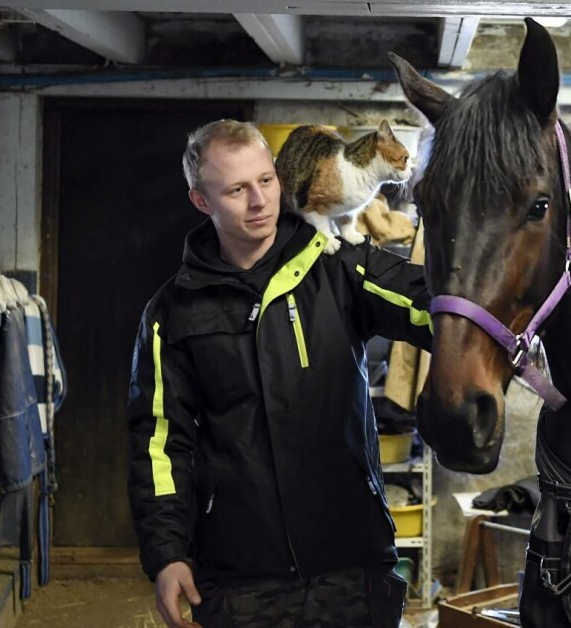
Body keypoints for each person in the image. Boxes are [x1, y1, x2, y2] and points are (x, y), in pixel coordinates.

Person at [126, 119, 433, 628]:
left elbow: (431, 309)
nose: (260, 201)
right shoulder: (172, 314)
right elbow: (159, 443)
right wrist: (166, 555)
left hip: (349, 567)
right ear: (202, 201)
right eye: (237, 189)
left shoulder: (339, 268)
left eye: (267, 180)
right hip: (239, 577)